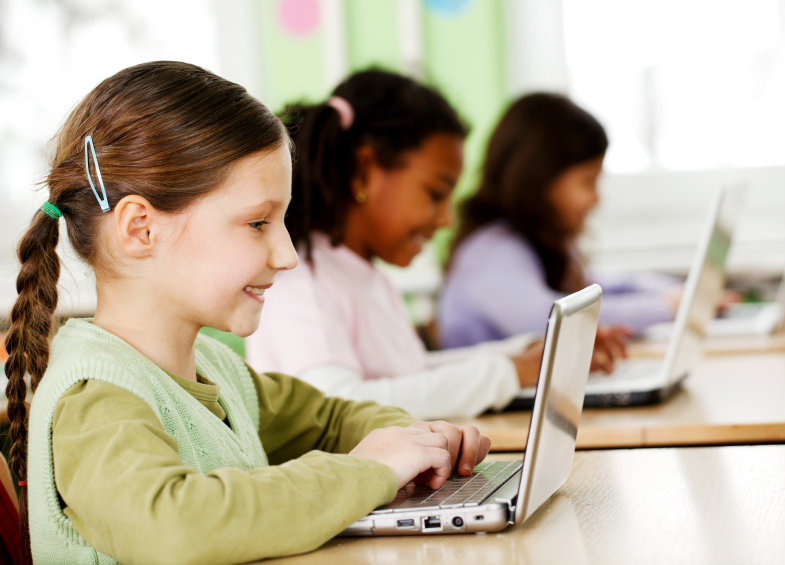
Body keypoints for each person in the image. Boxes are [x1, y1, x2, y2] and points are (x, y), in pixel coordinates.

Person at [2, 62, 491, 565]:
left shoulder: (218, 371)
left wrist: (416, 441)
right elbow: (174, 527)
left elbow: (331, 419)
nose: (288, 255)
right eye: (258, 222)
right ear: (140, 229)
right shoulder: (94, 398)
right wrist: (371, 471)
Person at [246, 70, 543, 421]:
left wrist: (520, 354)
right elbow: (340, 406)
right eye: (435, 194)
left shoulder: (365, 275)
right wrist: (508, 372)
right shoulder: (302, 279)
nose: (447, 219)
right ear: (364, 170)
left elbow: (410, 377)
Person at [438, 93, 681, 350]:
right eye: (587, 181)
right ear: (539, 179)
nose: (596, 198)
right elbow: (550, 318)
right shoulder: (491, 252)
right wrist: (664, 307)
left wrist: (677, 295)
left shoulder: (536, 242)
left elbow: (602, 286)